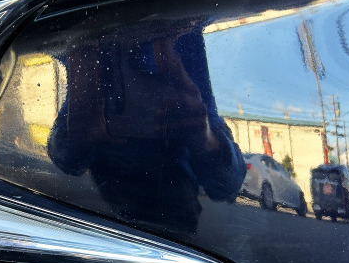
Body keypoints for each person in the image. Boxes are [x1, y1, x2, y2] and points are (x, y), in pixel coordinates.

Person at [47, 21, 246, 236]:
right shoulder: (187, 112)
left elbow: (67, 157)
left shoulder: (84, 130)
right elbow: (227, 184)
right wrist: (204, 137)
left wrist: (82, 60)